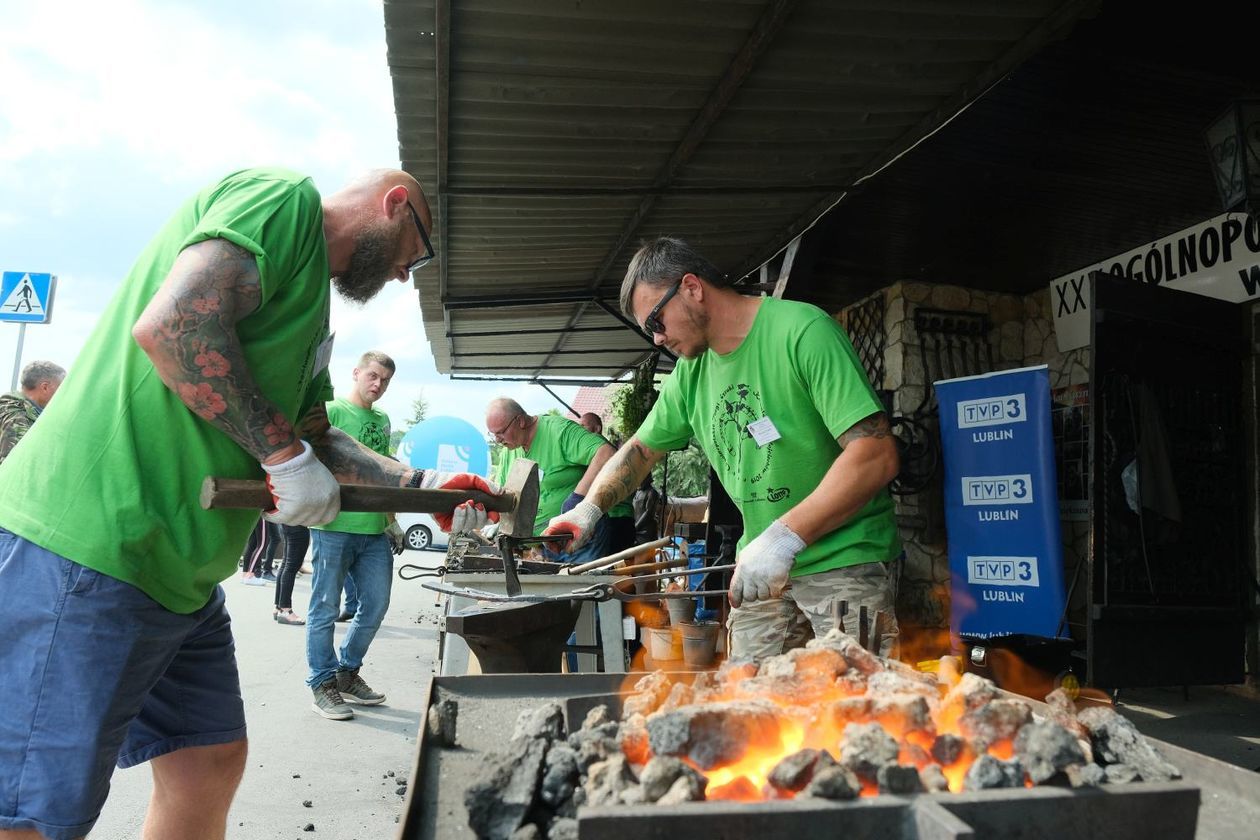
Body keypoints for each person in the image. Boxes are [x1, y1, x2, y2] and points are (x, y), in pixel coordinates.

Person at [0, 167, 499, 840]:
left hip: (180, 572)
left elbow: (315, 433)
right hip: (94, 546)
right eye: (419, 250)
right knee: (33, 812)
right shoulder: (285, 203)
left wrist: (419, 487)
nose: (408, 274)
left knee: (207, 760)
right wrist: (282, 457)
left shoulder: (309, 317)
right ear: (395, 203)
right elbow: (176, 327)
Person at [544, 236, 902, 662]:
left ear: (692, 288)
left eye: (656, 322)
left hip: (845, 559)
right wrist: (588, 510)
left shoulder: (802, 331)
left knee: (859, 709)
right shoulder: (690, 374)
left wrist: (783, 539)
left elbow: (875, 454)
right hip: (760, 573)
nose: (656, 340)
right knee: (745, 706)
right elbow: (640, 450)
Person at [305, 351, 407, 720]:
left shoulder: (383, 420)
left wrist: (392, 520)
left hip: (374, 530)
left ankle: (347, 672)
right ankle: (322, 683)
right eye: (373, 376)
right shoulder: (331, 412)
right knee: (325, 608)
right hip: (333, 526)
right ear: (357, 373)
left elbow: (383, 473)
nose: (377, 384)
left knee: (376, 605)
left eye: (385, 380)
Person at [487, 399, 634, 561]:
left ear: (520, 421)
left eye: (501, 432)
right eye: (493, 435)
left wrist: (578, 500)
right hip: (544, 544)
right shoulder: (509, 450)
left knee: (582, 585)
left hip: (580, 538)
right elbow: (503, 492)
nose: (498, 440)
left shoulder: (559, 431)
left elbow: (606, 453)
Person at [0, 360, 64, 464]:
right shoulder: (16, 415)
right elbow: (15, 464)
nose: (62, 394)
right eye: (60, 388)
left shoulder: (31, 412)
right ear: (45, 387)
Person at [274, 524, 309, 625]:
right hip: (297, 522)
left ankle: (279, 606)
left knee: (286, 564)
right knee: (291, 567)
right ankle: (285, 609)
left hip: (287, 521)